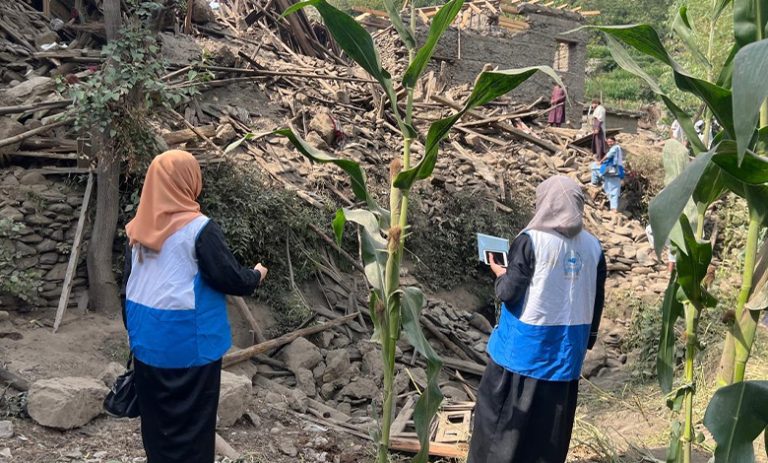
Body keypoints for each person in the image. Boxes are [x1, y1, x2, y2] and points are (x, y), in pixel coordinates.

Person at [122, 150, 268, 463]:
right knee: (193, 429)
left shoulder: (137, 229)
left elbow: (128, 284)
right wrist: (256, 275)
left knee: (157, 425)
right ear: (190, 181)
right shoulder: (199, 229)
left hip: (146, 341)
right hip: (190, 345)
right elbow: (229, 278)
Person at [468, 176, 606, 463]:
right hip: (565, 362)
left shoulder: (531, 241)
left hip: (522, 357)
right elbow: (596, 300)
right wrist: (587, 341)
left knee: (498, 434)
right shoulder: (594, 248)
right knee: (546, 441)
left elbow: (508, 293)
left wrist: (500, 274)